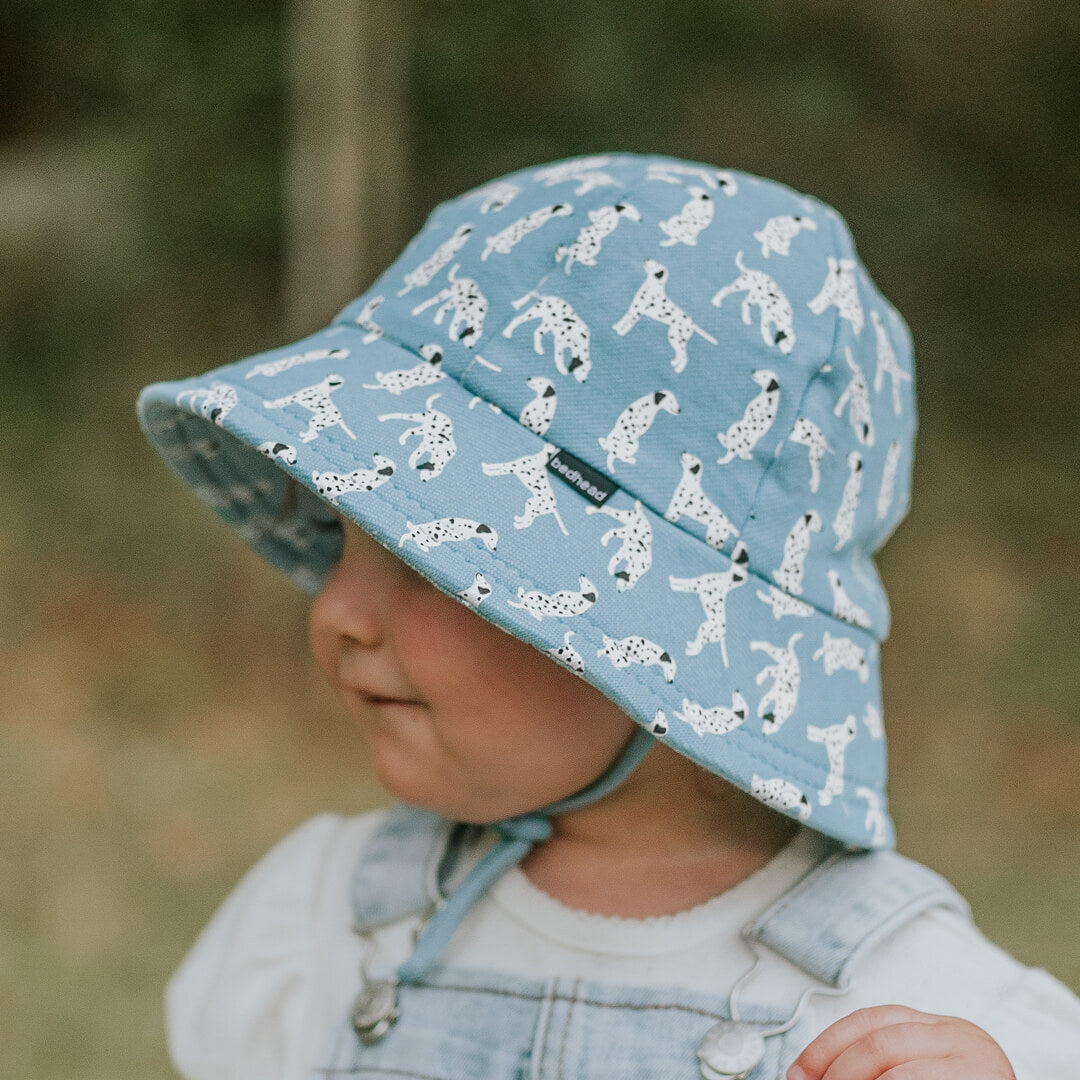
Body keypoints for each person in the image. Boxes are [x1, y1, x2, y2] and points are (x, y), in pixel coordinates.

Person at [137, 153, 1080, 1080]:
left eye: (429, 563)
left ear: (666, 640)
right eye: (346, 537)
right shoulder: (332, 923)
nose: (337, 613)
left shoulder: (917, 1014)